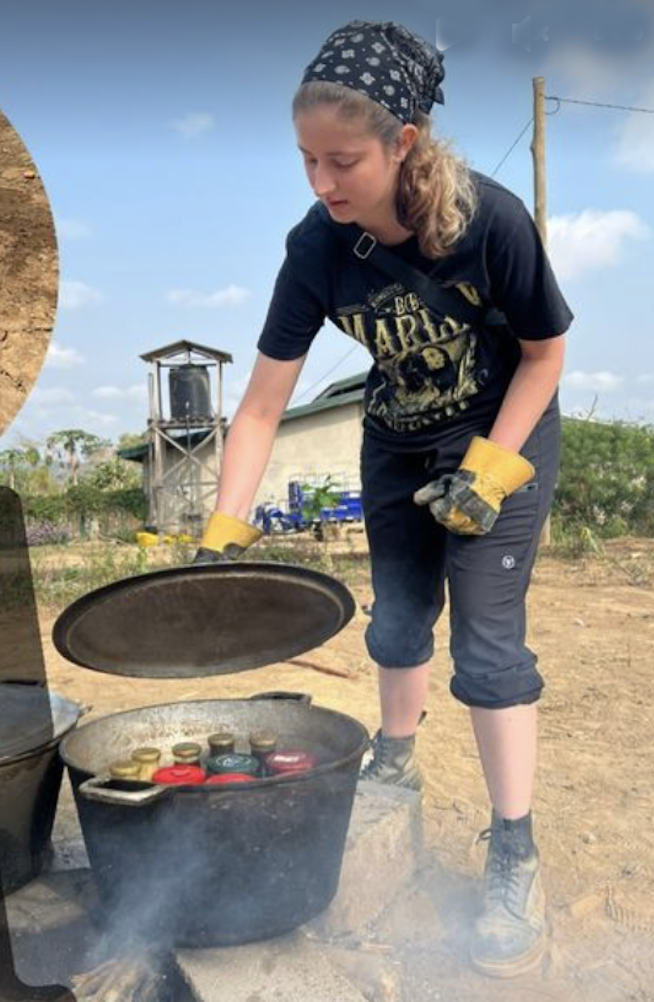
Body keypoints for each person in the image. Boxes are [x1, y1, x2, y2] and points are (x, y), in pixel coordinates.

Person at [194, 20, 573, 979]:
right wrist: (223, 532)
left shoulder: (489, 221)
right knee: (397, 621)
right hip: (398, 441)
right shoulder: (317, 248)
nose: (321, 182)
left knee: (487, 642)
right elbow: (261, 407)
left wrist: (489, 470)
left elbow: (544, 357)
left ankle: (515, 852)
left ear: (403, 142)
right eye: (306, 160)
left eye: (342, 161)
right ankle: (395, 757)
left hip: (502, 434)